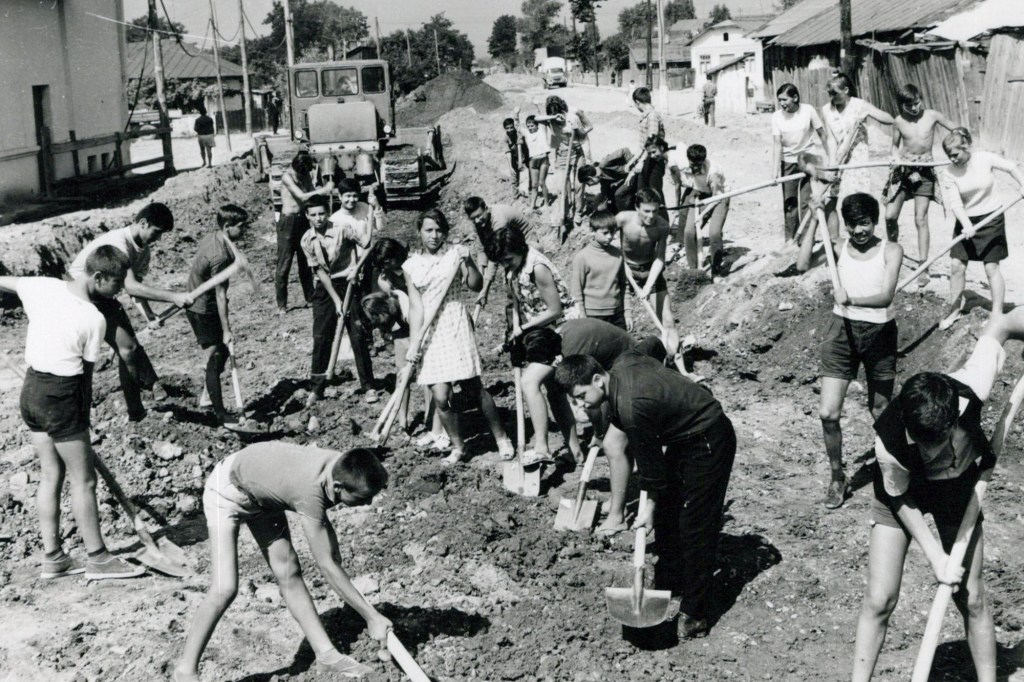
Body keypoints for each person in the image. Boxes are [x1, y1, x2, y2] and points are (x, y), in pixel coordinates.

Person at [850, 307, 1024, 682]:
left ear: (952, 418)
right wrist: (936, 556)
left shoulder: (970, 386)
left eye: (937, 442)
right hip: (902, 494)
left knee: (972, 596)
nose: (928, 452)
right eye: (920, 442)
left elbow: (1005, 322)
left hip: (957, 490)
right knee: (880, 599)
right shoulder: (889, 443)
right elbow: (899, 498)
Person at [555, 345, 736, 639]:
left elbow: (652, 471)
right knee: (667, 513)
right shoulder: (622, 361)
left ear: (598, 380)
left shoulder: (632, 408)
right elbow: (651, 342)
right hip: (682, 434)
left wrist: (647, 508)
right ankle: (671, 582)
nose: (580, 408)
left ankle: (696, 612)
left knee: (696, 525)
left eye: (581, 398)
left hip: (709, 437)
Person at [172, 442, 393, 682]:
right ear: (338, 486)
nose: (369, 504)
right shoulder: (310, 489)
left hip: (263, 496)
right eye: (363, 498)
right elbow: (327, 565)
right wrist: (371, 617)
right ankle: (185, 671)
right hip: (226, 491)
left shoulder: (341, 466)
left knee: (289, 571)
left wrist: (367, 610)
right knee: (225, 588)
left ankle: (327, 656)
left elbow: (332, 558)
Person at [0, 246, 145, 580]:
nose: (121, 288)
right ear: (98, 277)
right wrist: (82, 422)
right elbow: (85, 379)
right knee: (84, 479)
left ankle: (53, 558)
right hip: (63, 394)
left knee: (51, 474)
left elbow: (6, 282)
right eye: (117, 282)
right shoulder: (94, 318)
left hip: (31, 391)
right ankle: (98, 559)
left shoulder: (42, 285)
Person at [528, 319, 666, 535]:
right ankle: (617, 505)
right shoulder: (558, 346)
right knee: (611, 440)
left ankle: (618, 513)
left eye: (580, 398)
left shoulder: (575, 352)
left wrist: (600, 432)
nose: (579, 405)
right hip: (613, 371)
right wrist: (581, 443)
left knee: (615, 443)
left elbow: (596, 400)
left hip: (627, 369)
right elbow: (569, 396)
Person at [403, 209, 514, 464]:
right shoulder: (410, 266)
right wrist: (414, 343)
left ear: (446, 232)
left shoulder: (455, 255)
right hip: (430, 332)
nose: (434, 235)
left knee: (473, 388)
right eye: (429, 230)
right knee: (441, 396)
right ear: (419, 232)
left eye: (439, 230)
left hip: (454, 322)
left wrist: (470, 261)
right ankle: (459, 447)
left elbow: (474, 285)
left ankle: (501, 438)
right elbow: (415, 306)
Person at [816, 193, 904, 509]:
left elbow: (885, 297)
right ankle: (838, 477)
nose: (858, 231)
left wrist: (849, 298)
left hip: (879, 333)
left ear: (874, 221)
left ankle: (893, 472)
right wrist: (819, 211)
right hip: (842, 333)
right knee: (828, 413)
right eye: (852, 224)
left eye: (864, 223)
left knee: (880, 411)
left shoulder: (891, 250)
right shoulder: (838, 247)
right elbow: (801, 262)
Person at [67, 202, 192, 422]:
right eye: (157, 232)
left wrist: (149, 314)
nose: (158, 238)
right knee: (79, 358)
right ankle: (76, 417)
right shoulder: (119, 242)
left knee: (130, 350)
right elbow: (132, 286)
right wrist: (174, 296)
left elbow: (135, 289)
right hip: (78, 295)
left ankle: (136, 412)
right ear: (143, 223)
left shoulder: (143, 252)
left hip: (104, 297)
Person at [491, 225, 579, 466]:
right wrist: (517, 329)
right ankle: (575, 452)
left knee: (529, 382)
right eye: (502, 262)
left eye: (508, 259)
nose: (506, 265)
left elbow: (555, 310)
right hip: (537, 333)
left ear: (519, 248)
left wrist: (525, 329)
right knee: (554, 392)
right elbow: (516, 303)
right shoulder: (511, 268)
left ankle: (541, 447)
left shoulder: (537, 267)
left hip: (560, 330)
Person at [936, 129, 1024, 329]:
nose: (952, 159)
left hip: (992, 218)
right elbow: (955, 203)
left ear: (965, 148)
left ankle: (997, 315)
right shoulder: (949, 172)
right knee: (957, 265)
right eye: (948, 155)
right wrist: (966, 224)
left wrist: (1023, 183)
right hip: (966, 219)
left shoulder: (984, 158)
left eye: (955, 154)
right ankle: (954, 310)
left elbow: (1011, 167)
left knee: (991, 267)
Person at [301, 186, 377, 406]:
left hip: (349, 283)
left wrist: (357, 267)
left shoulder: (343, 229)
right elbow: (319, 271)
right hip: (325, 288)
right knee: (321, 335)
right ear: (307, 216)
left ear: (328, 212)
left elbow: (367, 243)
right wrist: (335, 301)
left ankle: (368, 385)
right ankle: (316, 387)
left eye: (321, 213)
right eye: (313, 215)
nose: (318, 218)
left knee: (357, 333)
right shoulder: (307, 240)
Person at [184, 204, 251, 430]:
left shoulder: (216, 238)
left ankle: (207, 396)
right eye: (241, 227)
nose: (245, 231)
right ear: (227, 226)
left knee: (220, 353)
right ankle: (220, 413)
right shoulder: (220, 255)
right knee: (215, 356)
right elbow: (221, 295)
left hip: (202, 302)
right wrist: (226, 329)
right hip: (203, 308)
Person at [884, 83, 958, 269]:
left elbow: (957, 130)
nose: (915, 108)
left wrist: (957, 149)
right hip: (903, 170)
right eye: (909, 105)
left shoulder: (932, 115)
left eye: (917, 103)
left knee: (920, 218)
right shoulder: (899, 121)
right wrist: (894, 157)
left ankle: (923, 265)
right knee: (890, 216)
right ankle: (892, 253)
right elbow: (894, 146)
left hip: (925, 170)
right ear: (901, 105)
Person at [615, 188, 681, 357]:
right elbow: (605, 240)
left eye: (655, 211)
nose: (651, 216)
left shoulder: (662, 226)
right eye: (646, 211)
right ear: (637, 207)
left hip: (650, 271)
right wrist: (620, 262)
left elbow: (660, 258)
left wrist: (648, 286)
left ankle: (676, 359)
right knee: (618, 321)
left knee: (668, 321)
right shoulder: (622, 219)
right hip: (625, 271)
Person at [821, 73, 894, 202]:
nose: (831, 97)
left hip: (858, 160)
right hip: (837, 159)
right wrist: (833, 163)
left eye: (835, 93)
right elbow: (831, 139)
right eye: (829, 94)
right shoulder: (827, 109)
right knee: (830, 199)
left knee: (856, 199)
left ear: (846, 90)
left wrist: (869, 112)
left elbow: (889, 119)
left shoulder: (859, 105)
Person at [771, 83, 829, 245]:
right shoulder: (776, 116)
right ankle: (790, 239)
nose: (781, 103)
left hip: (808, 159)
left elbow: (822, 135)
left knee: (806, 201)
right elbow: (777, 144)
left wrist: (831, 158)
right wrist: (775, 171)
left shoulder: (808, 110)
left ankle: (805, 239)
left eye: (785, 99)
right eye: (779, 100)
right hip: (788, 162)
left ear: (795, 97)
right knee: (789, 203)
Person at [463, 196, 543, 310]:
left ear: (486, 209)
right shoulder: (478, 222)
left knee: (526, 282)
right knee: (511, 286)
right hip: (509, 245)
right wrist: (482, 277)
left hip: (526, 241)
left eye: (479, 216)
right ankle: (517, 314)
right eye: (473, 218)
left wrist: (486, 289)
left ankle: (536, 311)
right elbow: (482, 248)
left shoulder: (499, 220)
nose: (477, 220)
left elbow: (495, 257)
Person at [276, 153, 333, 313]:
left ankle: (310, 297)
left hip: (302, 220)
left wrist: (325, 188)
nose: (303, 174)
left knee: (305, 261)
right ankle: (282, 304)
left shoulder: (306, 174)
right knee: (284, 265)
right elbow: (301, 196)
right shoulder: (287, 177)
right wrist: (324, 190)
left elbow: (312, 194)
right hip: (288, 222)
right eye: (301, 172)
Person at [672, 143, 731, 275]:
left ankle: (716, 269)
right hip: (701, 194)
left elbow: (717, 198)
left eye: (697, 166)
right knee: (688, 232)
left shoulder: (713, 173)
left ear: (703, 161)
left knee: (714, 233)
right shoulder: (686, 165)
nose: (694, 168)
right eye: (692, 165)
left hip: (720, 197)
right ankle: (693, 272)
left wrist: (702, 214)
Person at [571, 210, 626, 329]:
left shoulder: (618, 255)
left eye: (612, 232)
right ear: (592, 231)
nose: (610, 236)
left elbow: (624, 285)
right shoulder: (582, 257)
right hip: (593, 316)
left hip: (617, 314)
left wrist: (628, 313)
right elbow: (577, 291)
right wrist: (582, 315)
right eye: (605, 233)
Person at [575, 147, 635, 216]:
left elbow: (624, 150)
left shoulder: (604, 164)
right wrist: (598, 208)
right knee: (612, 194)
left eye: (587, 183)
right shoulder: (602, 179)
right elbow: (604, 193)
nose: (589, 186)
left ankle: (625, 217)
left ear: (590, 177)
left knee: (619, 193)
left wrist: (632, 168)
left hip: (636, 171)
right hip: (628, 177)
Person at [521, 114, 552, 211]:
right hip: (533, 161)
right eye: (528, 126)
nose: (530, 128)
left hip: (543, 159)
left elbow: (541, 117)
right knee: (534, 185)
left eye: (532, 125)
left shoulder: (541, 130)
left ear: (537, 125)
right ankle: (532, 205)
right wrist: (516, 114)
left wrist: (536, 105)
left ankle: (547, 204)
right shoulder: (526, 133)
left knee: (542, 182)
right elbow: (517, 125)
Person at [632, 86, 664, 151]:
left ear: (637, 102)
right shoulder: (647, 115)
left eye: (634, 103)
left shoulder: (652, 116)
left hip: (650, 157)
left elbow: (652, 143)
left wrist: (640, 159)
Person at [502, 116, 527, 196]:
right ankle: (515, 195)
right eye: (507, 128)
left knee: (530, 174)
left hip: (525, 154)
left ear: (514, 126)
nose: (510, 130)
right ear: (505, 129)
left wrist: (520, 162)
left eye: (511, 127)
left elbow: (519, 147)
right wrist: (511, 167)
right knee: (514, 176)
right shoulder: (505, 138)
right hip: (514, 157)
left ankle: (530, 193)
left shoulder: (518, 133)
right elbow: (508, 153)